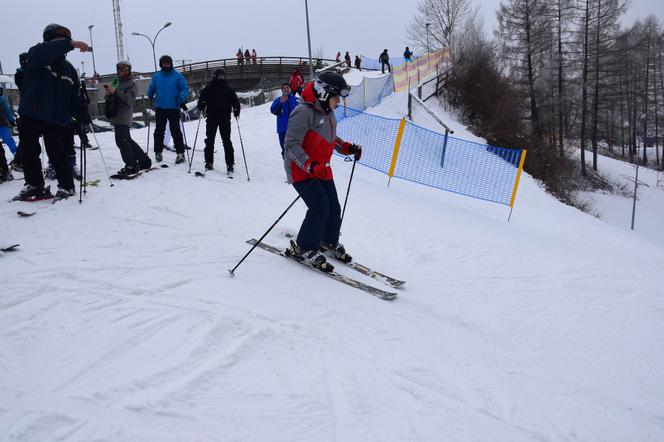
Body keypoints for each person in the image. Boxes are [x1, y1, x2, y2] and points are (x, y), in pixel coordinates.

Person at [283, 71, 362, 271]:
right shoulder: (304, 112)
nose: (338, 103)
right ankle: (304, 247)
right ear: (324, 94)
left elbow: (330, 138)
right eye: (336, 98)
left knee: (333, 208)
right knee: (320, 207)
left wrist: (346, 147)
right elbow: (291, 145)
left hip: (321, 169)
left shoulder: (327, 112)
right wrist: (309, 165)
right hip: (300, 169)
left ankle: (327, 240)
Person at [13, 23, 88, 202]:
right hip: (32, 112)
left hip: (56, 118)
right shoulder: (37, 54)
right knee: (29, 151)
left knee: (57, 153)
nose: (63, 43)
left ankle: (67, 186)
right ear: (49, 39)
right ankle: (35, 184)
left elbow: (74, 97)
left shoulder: (69, 70)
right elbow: (45, 53)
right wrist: (70, 43)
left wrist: (80, 114)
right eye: (60, 39)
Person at [105, 60, 152, 177]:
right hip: (115, 114)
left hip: (124, 116)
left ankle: (132, 165)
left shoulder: (131, 84)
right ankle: (144, 161)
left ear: (129, 71)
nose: (123, 72)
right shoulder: (116, 81)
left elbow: (128, 99)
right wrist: (109, 92)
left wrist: (116, 91)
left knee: (122, 141)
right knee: (127, 140)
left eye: (126, 70)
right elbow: (107, 96)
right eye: (121, 70)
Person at [147, 54, 189, 164]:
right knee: (159, 131)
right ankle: (158, 151)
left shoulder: (177, 76)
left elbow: (184, 88)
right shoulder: (156, 76)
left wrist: (181, 97)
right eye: (164, 63)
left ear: (171, 64)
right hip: (160, 107)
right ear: (161, 64)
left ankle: (180, 153)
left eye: (168, 63)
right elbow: (152, 87)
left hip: (173, 107)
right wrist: (150, 94)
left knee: (175, 130)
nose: (166, 65)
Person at [197, 68, 240, 174]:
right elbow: (201, 100)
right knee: (210, 140)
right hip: (211, 117)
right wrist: (201, 104)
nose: (221, 78)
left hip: (224, 118)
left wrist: (236, 109)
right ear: (215, 77)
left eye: (223, 76)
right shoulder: (208, 89)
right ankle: (209, 161)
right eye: (219, 76)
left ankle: (230, 164)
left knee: (226, 141)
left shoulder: (229, 89)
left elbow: (235, 101)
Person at [10, 52, 29, 171]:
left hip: (32, 107)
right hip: (27, 108)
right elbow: (25, 87)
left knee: (28, 138)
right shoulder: (20, 74)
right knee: (27, 138)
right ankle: (18, 161)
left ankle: (20, 160)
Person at [269, 83, 299, 157]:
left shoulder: (297, 100)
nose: (285, 89)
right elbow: (273, 110)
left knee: (297, 148)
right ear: (282, 90)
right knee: (285, 149)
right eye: (284, 88)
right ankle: (287, 164)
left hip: (295, 129)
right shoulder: (278, 100)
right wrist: (280, 103)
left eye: (287, 87)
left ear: (290, 89)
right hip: (283, 130)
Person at [0, 86, 16, 183]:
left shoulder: (2, 99)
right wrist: (12, 121)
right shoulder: (2, 99)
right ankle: (18, 157)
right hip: (2, 123)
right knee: (9, 140)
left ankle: (3, 169)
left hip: (2, 123)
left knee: (8, 141)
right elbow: (7, 111)